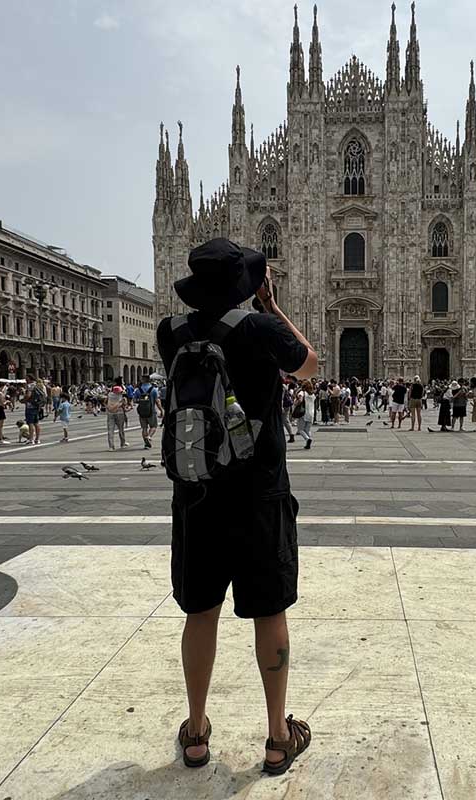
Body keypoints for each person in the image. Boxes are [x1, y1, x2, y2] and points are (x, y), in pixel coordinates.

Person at [157, 238, 317, 774]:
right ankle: (277, 738)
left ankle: (197, 732)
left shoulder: (169, 332)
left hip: (196, 494)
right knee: (268, 612)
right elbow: (309, 367)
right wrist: (271, 307)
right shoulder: (260, 328)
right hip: (258, 494)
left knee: (200, 613)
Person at [136, 375, 162, 449]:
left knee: (144, 428)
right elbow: (157, 401)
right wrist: (161, 410)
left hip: (141, 412)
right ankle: (149, 436)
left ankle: (146, 443)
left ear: (143, 380)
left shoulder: (138, 390)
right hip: (151, 411)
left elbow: (135, 400)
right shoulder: (153, 389)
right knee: (153, 426)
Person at [105, 381, 129, 450]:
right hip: (119, 413)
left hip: (110, 413)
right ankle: (122, 443)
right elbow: (125, 405)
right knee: (121, 429)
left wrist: (108, 407)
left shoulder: (109, 395)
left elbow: (105, 402)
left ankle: (111, 446)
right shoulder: (120, 396)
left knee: (110, 430)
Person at [24, 376, 46, 444]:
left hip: (30, 406)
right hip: (37, 406)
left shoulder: (30, 386)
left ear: (29, 379)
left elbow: (28, 395)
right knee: (36, 423)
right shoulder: (38, 385)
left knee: (30, 423)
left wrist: (23, 400)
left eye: (26, 378)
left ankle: (31, 439)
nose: (25, 380)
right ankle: (37, 439)